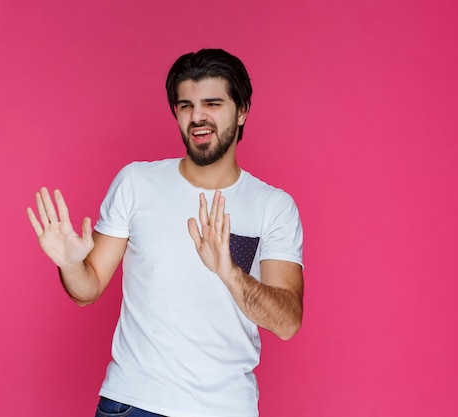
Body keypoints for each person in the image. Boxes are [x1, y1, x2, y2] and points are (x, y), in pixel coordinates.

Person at [27, 48, 304, 417]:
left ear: (242, 111)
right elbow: (86, 290)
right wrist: (70, 264)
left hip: (226, 408)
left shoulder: (273, 206)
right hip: (134, 402)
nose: (197, 116)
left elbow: (287, 323)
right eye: (185, 105)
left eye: (212, 103)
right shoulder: (136, 183)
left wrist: (229, 273)